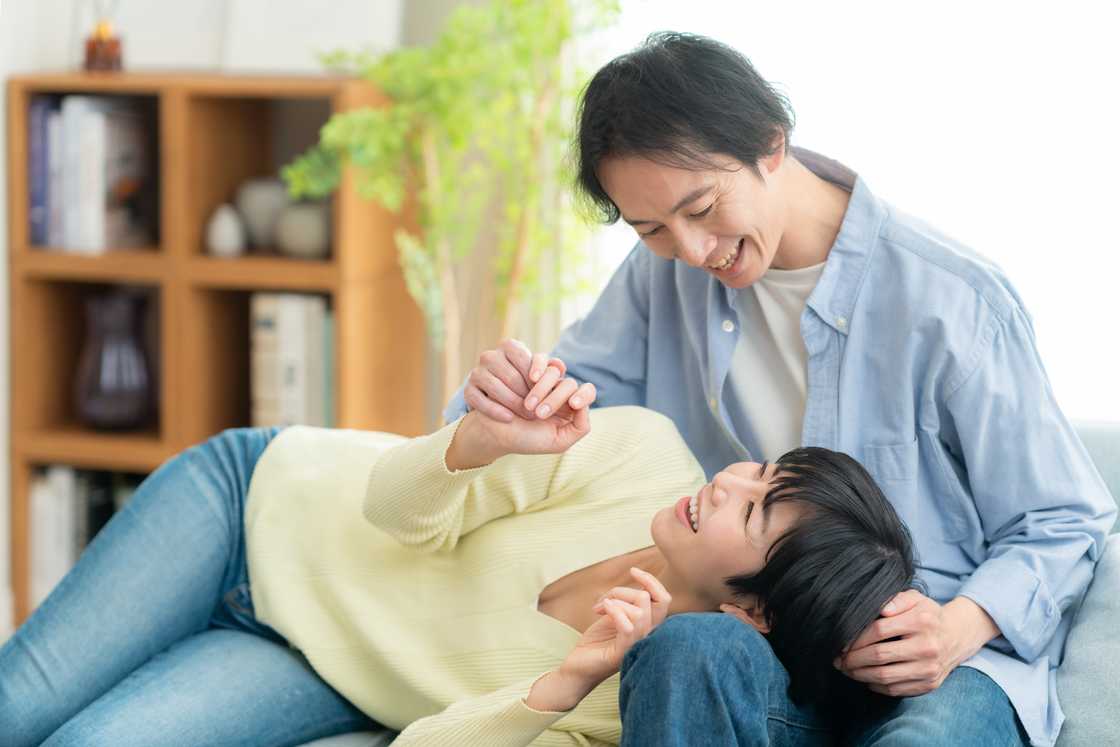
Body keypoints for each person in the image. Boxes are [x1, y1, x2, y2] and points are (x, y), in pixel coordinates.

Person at [446, 32, 1117, 746]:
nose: (693, 251)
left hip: (937, 663)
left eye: (701, 208)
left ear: (771, 144)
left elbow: (1066, 520)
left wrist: (955, 627)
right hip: (764, 647)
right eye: (652, 229)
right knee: (685, 650)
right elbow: (563, 404)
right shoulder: (661, 278)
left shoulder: (951, 301)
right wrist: (504, 400)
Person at [0, 401, 914, 746]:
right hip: (252, 505)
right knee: (16, 709)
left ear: (754, 614)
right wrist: (477, 441)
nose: (728, 481)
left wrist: (569, 677)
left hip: (308, 658)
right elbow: (390, 508)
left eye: (752, 510)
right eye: (760, 471)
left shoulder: (624, 697)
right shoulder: (643, 452)